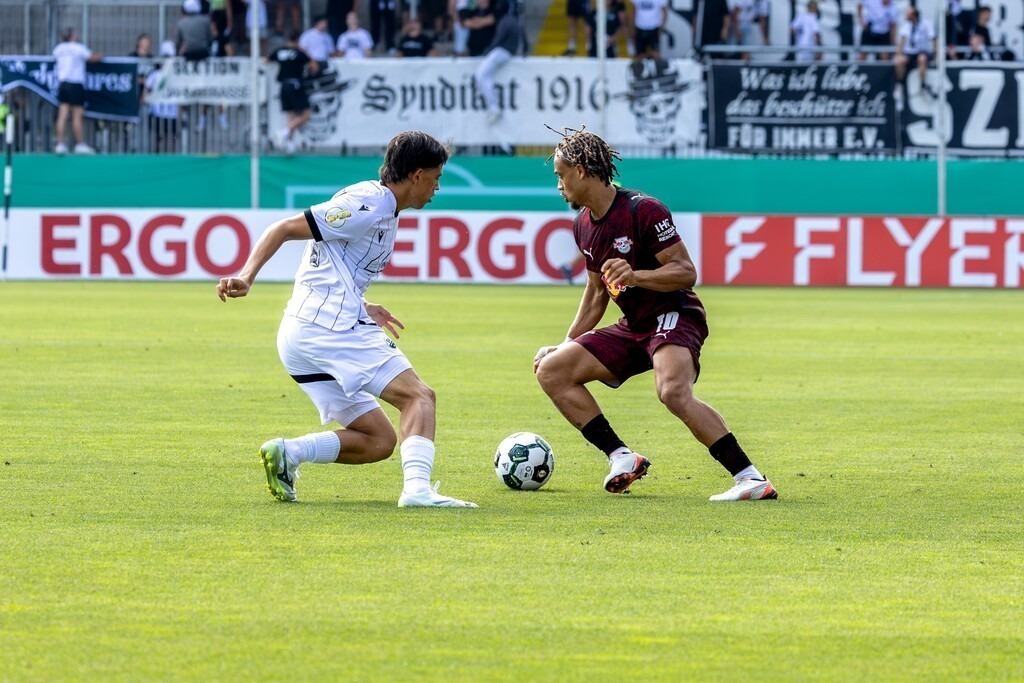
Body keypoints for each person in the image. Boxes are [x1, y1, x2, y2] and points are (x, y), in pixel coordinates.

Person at [216, 131, 477, 509]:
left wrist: (362, 304)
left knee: (378, 441)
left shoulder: (384, 210)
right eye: (436, 178)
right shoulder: (368, 204)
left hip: (303, 333)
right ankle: (418, 491)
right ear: (417, 175)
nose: (437, 187)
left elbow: (331, 261)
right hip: (329, 329)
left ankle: (289, 452)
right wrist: (246, 276)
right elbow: (284, 228)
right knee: (419, 397)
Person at [533, 127, 778, 501]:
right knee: (552, 370)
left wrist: (636, 276)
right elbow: (596, 292)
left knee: (673, 392)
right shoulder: (582, 224)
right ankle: (622, 457)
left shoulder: (642, 210)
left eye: (560, 175)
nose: (559, 185)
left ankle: (750, 479)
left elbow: (685, 272)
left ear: (580, 171)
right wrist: (566, 343)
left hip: (674, 314)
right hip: (634, 326)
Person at [52, 27, 103, 155]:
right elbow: (91, 58)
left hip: (63, 83)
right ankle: (79, 144)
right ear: (72, 36)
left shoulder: (58, 49)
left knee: (62, 114)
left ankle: (60, 144)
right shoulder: (78, 48)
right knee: (77, 115)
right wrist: (102, 56)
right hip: (75, 84)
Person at [474, 0, 525, 125]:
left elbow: (498, 40)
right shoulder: (514, 21)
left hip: (502, 51)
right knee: (483, 75)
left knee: (481, 74)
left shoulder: (505, 21)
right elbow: (523, 38)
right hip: (508, 51)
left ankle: (494, 106)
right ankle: (493, 106)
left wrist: (486, 52)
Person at [268, 31, 319, 154]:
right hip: (295, 84)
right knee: (306, 115)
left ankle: (290, 143)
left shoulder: (279, 51)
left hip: (283, 85)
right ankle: (284, 132)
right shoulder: (299, 53)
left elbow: (267, 59)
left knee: (290, 116)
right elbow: (314, 66)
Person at [144, 40, 181, 153]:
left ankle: (172, 157)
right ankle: (156, 157)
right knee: (158, 138)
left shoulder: (178, 76)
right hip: (157, 112)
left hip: (172, 113)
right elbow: (145, 93)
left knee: (173, 138)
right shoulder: (154, 74)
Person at [895, 6, 936, 97]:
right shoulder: (906, 25)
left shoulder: (926, 24)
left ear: (913, 15)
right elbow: (901, 41)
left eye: (908, 14)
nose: (905, 15)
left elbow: (933, 38)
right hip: (910, 52)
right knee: (899, 61)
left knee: (922, 59)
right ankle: (900, 84)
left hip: (923, 51)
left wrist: (935, 56)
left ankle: (923, 85)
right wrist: (899, 54)